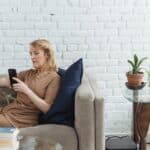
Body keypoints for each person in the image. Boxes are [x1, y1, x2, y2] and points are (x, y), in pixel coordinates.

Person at [0, 39, 61, 128]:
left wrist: (27, 90)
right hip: (8, 111)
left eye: (36, 53)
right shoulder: (28, 73)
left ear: (47, 55)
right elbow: (6, 81)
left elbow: (46, 108)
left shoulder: (54, 78)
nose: (32, 57)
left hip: (22, 119)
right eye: (31, 54)